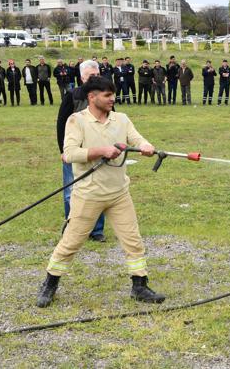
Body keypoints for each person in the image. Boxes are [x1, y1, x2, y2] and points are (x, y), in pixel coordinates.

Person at [37, 76, 166, 308]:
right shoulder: (76, 121)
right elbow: (69, 153)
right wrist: (100, 151)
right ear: (92, 97)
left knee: (133, 240)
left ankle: (140, 286)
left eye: (113, 94)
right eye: (107, 95)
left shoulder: (121, 119)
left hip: (119, 193)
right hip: (88, 194)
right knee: (71, 241)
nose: (112, 99)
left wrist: (146, 146)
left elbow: (137, 139)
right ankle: (50, 284)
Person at [56, 60, 107, 244]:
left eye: (97, 75)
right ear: (82, 77)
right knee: (72, 191)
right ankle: (73, 229)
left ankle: (97, 230)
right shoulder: (72, 95)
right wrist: (64, 150)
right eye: (90, 76)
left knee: (98, 191)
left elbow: (112, 122)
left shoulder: (105, 96)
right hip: (75, 153)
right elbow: (61, 124)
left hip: (98, 152)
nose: (94, 79)